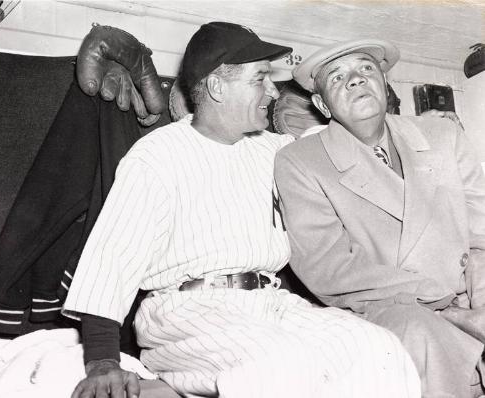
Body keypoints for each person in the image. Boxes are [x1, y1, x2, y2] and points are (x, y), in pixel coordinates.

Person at [63, 24, 421, 398]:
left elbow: (345, 141)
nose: (272, 90)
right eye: (261, 78)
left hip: (270, 303)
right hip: (186, 310)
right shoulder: (157, 156)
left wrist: (412, 130)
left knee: (377, 347)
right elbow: (112, 260)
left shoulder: (276, 150)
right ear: (218, 87)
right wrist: (103, 361)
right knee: (281, 364)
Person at [274, 38, 485, 397]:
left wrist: (478, 302)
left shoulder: (443, 135)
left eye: (366, 68)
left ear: (385, 85)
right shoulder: (300, 161)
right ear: (322, 105)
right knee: (419, 337)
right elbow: (329, 267)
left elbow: (480, 231)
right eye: (338, 77)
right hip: (388, 305)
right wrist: (439, 298)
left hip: (470, 287)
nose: (356, 79)